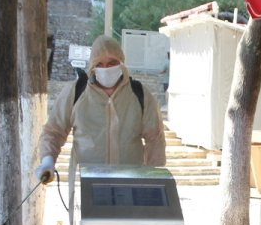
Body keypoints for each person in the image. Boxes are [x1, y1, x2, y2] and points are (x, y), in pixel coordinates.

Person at [35, 35, 166, 184]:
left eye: (112, 63)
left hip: (130, 183)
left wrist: (154, 176)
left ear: (121, 63)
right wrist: (47, 160)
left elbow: (155, 139)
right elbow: (53, 131)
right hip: (87, 184)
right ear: (92, 66)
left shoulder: (139, 94)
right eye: (100, 64)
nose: (106, 68)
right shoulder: (76, 92)